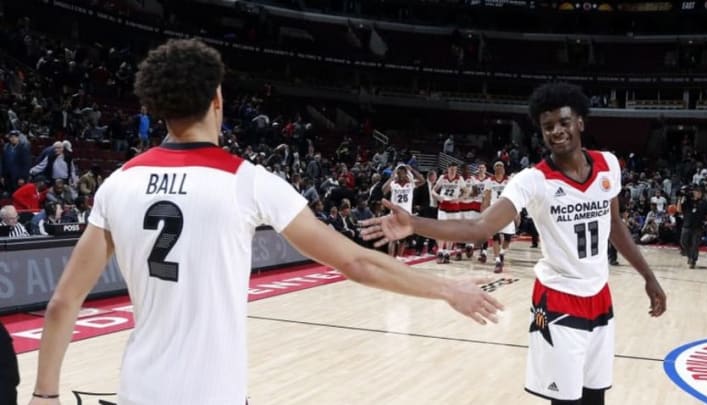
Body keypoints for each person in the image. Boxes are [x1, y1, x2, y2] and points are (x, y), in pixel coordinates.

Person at [28, 39, 503, 405]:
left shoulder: (118, 182)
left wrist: (44, 394)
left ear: (156, 104)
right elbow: (359, 263)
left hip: (138, 389)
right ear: (217, 97)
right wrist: (449, 290)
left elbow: (63, 303)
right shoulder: (245, 180)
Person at [360, 82, 666, 405]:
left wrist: (649, 276)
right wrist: (414, 223)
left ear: (580, 122)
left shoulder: (608, 165)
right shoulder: (533, 180)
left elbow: (614, 225)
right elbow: (480, 226)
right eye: (548, 127)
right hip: (558, 303)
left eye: (564, 122)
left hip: (600, 298)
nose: (557, 132)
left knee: (594, 399)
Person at [678, 184, 707, 268]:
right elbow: (679, 210)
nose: (698, 193)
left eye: (699, 192)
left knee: (695, 244)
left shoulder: (704, 203)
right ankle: (690, 256)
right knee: (683, 242)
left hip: (698, 227)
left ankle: (693, 261)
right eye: (696, 192)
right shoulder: (688, 201)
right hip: (686, 225)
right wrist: (679, 199)